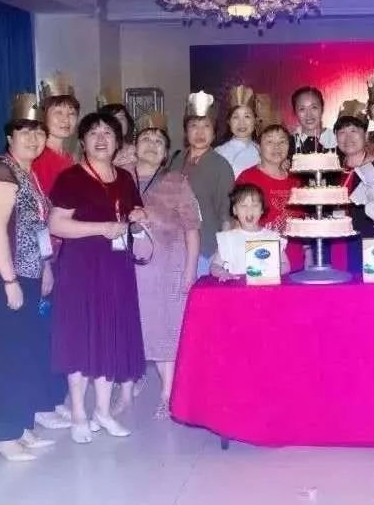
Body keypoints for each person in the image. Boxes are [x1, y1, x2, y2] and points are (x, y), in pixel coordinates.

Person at [48, 111, 147, 443]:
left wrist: (137, 217)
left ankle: (102, 412)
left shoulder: (125, 178)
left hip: (117, 268)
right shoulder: (71, 178)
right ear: (82, 141)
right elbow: (57, 224)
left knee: (109, 336)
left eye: (108, 133)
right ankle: (78, 412)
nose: (101, 139)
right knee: (80, 337)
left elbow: (130, 216)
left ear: (118, 141)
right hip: (80, 269)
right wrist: (102, 228)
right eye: (93, 133)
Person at [0, 93, 56, 461]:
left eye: (38, 132)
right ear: (10, 136)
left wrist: (46, 266)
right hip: (5, 278)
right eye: (24, 132)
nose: (33, 139)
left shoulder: (28, 173)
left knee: (24, 352)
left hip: (30, 273)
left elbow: (37, 228)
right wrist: (9, 281)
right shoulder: (1, 172)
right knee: (4, 356)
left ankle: (20, 426)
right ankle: (2, 434)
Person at [131, 113, 201, 418]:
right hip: (126, 270)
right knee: (132, 328)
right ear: (133, 146)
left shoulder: (176, 182)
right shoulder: (119, 178)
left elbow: (192, 229)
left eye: (159, 141)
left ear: (165, 154)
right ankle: (126, 388)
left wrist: (189, 271)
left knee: (164, 331)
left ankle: (167, 393)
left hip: (166, 269)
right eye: (146, 139)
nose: (152, 144)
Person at [30, 74, 79, 431]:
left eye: (70, 113)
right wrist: (46, 260)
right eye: (57, 112)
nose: (65, 119)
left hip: (67, 254)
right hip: (45, 254)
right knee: (41, 328)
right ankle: (39, 401)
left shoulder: (68, 157)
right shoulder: (39, 158)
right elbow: (38, 216)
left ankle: (52, 395)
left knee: (58, 327)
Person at [168, 91, 235, 278]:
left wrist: (220, 255)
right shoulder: (176, 160)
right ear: (185, 131)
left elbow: (227, 215)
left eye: (206, 126)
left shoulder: (221, 166)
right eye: (193, 126)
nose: (199, 132)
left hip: (206, 250)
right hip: (174, 247)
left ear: (214, 132)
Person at [236, 124, 304, 271]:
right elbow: (236, 222)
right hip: (260, 262)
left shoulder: (296, 180)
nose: (276, 147)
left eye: (282, 141)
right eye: (269, 141)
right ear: (258, 147)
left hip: (296, 262)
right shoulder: (247, 178)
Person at [333, 100, 374, 273]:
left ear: (366, 134)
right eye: (342, 132)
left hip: (371, 251)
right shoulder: (331, 172)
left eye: (354, 131)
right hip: (335, 250)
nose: (347, 138)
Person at [211, 183, 291, 279]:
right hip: (236, 287)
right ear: (235, 210)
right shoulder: (228, 238)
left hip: (266, 287)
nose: (249, 210)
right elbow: (214, 266)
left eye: (255, 205)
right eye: (243, 206)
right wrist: (222, 273)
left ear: (262, 209)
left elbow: (286, 265)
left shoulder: (273, 237)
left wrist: (269, 271)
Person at [215, 85, 261, 177]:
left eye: (247, 116)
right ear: (228, 121)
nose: (241, 122)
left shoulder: (263, 150)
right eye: (235, 117)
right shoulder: (218, 152)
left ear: (255, 120)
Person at [98, 87, 137, 168]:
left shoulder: (137, 152)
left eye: (121, 117)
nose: (118, 122)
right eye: (113, 118)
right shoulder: (94, 153)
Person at [291, 86, 336, 151]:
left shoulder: (337, 139)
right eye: (302, 109)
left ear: (322, 108)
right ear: (295, 112)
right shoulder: (289, 144)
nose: (309, 114)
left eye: (314, 107)